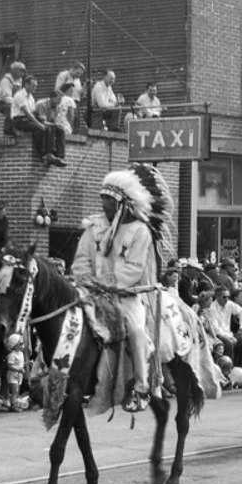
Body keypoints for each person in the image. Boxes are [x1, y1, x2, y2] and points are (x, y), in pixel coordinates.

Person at [71, 165, 173, 413]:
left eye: (109, 199)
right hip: (91, 294)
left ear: (123, 203)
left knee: (136, 330)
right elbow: (81, 260)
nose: (104, 204)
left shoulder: (140, 231)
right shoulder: (92, 228)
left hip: (126, 297)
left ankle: (140, 387)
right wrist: (87, 282)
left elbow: (133, 270)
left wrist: (103, 284)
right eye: (102, 198)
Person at [10, 75, 67, 166]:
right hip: (19, 120)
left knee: (49, 127)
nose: (35, 88)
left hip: (28, 119)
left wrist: (42, 121)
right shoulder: (20, 95)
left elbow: (33, 112)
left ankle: (53, 155)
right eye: (33, 86)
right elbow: (27, 112)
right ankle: (42, 154)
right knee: (39, 128)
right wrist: (39, 123)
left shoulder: (31, 97)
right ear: (26, 84)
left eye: (36, 86)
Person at [0, 61, 27, 131]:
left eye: (24, 72)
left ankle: (18, 129)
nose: (23, 73)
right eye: (21, 71)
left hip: (14, 102)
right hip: (4, 103)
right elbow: (7, 97)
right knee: (11, 109)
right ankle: (8, 130)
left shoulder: (19, 80)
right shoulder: (6, 80)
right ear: (14, 70)